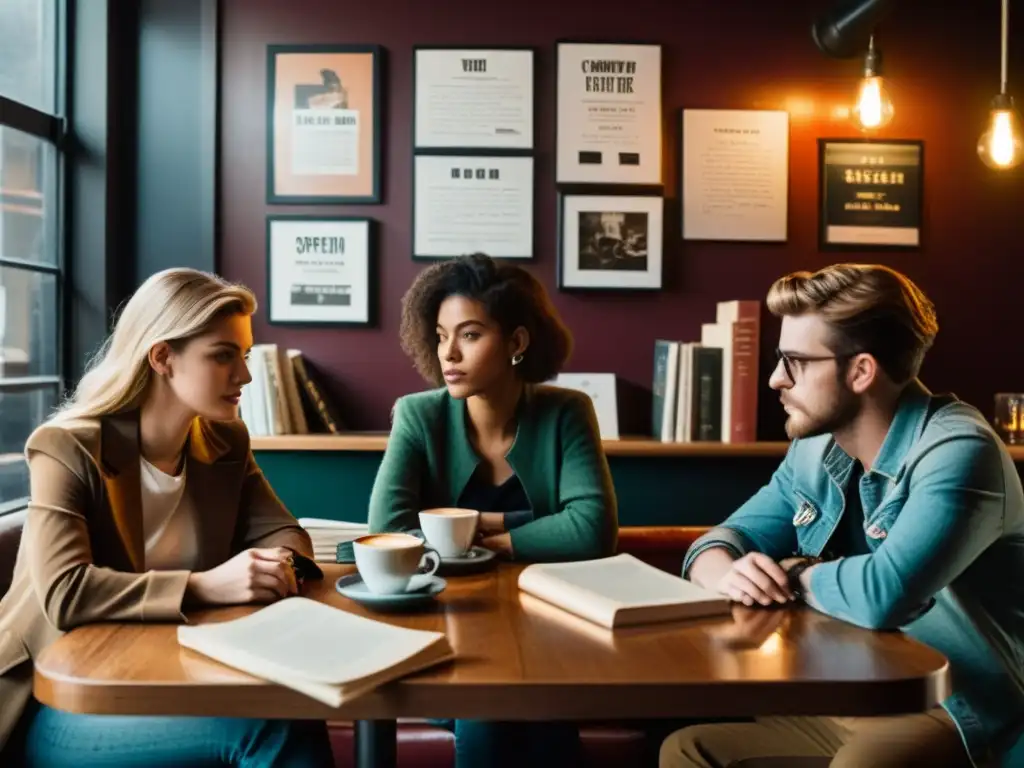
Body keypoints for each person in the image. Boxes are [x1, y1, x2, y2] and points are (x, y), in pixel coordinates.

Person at [659, 264, 1024, 768]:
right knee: (687, 752)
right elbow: (717, 544)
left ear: (861, 371)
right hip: (846, 691)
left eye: (795, 362)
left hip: (952, 706)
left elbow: (884, 595)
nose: (775, 379)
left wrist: (792, 572)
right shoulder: (813, 449)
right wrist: (730, 571)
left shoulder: (960, 450)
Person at [0, 268, 334, 767]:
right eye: (223, 356)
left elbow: (283, 530)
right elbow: (64, 594)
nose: (243, 375)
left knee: (299, 705)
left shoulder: (225, 442)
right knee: (271, 728)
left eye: (243, 357)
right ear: (162, 357)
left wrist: (275, 563)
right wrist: (203, 586)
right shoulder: (67, 447)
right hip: (62, 696)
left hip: (169, 672)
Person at [368, 252, 618, 767]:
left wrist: (483, 531)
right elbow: (387, 530)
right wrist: (536, 526)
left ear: (517, 342)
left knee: (543, 707)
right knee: (489, 702)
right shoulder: (419, 415)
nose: (448, 354)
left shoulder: (566, 412)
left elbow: (592, 530)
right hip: (441, 631)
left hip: (550, 632)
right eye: (440, 335)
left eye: (470, 334)